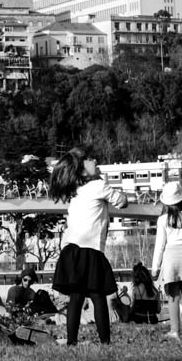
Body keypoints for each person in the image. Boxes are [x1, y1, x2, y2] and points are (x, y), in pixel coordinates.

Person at [49, 147, 126, 346]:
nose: (95, 160)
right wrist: (113, 190)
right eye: (90, 159)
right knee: (98, 295)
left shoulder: (76, 191)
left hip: (71, 250)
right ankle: (105, 341)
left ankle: (72, 341)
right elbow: (122, 202)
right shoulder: (98, 186)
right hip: (90, 249)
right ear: (82, 170)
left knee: (76, 297)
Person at [149, 180, 182, 337]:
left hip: (170, 257)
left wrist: (155, 269)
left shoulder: (162, 220)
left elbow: (159, 246)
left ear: (165, 202)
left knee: (173, 296)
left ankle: (174, 330)